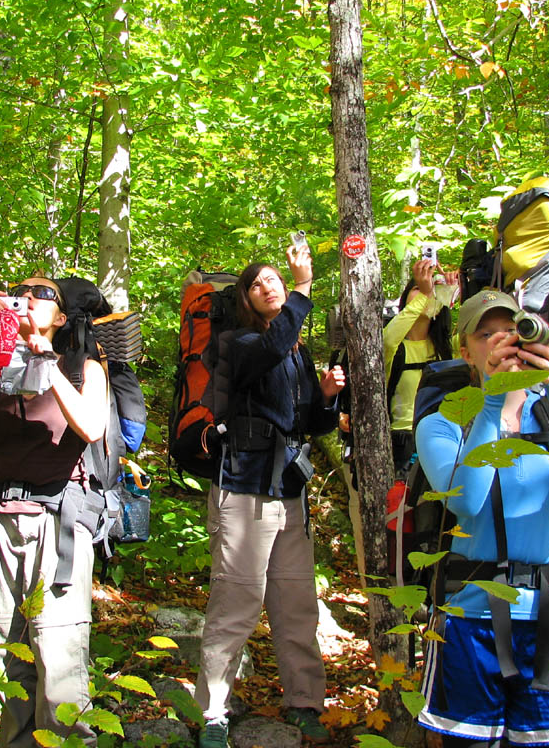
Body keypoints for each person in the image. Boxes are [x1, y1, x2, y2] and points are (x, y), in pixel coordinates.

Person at [415, 289, 549, 748]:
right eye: (486, 335)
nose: (500, 341)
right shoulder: (444, 422)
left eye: (510, 330)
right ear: (465, 351)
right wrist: (493, 404)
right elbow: (466, 501)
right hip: (469, 619)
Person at [0, 277, 106, 747]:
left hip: (57, 525)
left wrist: (45, 361)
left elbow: (92, 426)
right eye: (20, 289)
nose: (29, 295)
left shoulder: (84, 368)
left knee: (59, 655)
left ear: (61, 317)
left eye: (43, 292)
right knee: (3, 654)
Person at [193, 246, 345, 748]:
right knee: (235, 601)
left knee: (297, 602)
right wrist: (303, 288)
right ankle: (214, 711)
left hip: (290, 492)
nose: (269, 286)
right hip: (243, 487)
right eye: (257, 283)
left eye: (276, 279)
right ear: (245, 298)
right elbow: (270, 349)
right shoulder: (236, 343)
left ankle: (304, 702)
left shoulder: (296, 351)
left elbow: (307, 425)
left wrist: (324, 396)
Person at [383, 258, 457, 471]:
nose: (427, 292)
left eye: (434, 290)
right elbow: (388, 340)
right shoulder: (394, 346)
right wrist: (426, 294)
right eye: (418, 288)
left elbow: (483, 339)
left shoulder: (448, 347)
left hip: (444, 436)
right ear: (406, 299)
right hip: (403, 441)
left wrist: (458, 292)